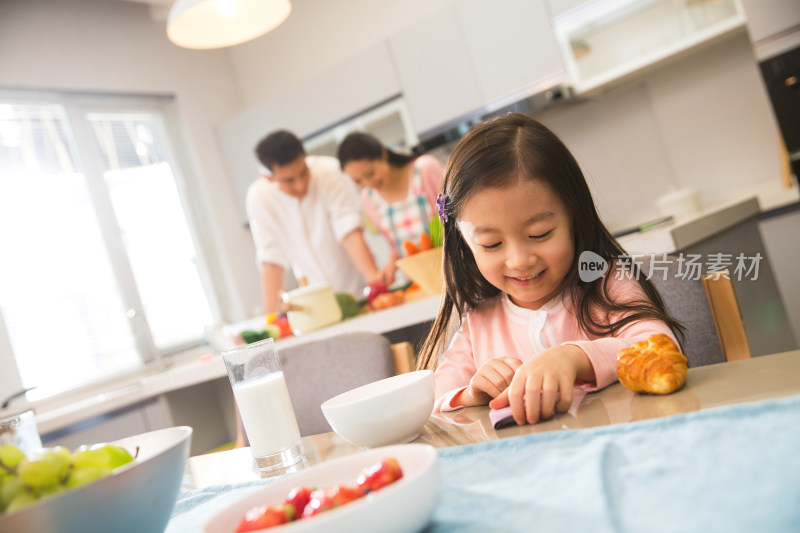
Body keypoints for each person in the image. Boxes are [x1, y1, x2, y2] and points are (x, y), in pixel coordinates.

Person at [416, 113, 684, 426]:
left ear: (574, 216)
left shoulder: (607, 283)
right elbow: (433, 403)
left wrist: (573, 358)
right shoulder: (478, 323)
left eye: (539, 234)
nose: (519, 260)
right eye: (491, 244)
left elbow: (660, 348)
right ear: (464, 245)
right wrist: (473, 394)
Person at [246, 130, 388, 315]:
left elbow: (348, 230)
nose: (300, 185)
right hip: (316, 308)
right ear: (268, 177)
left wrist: (376, 285)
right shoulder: (259, 198)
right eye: (289, 180)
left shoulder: (329, 171)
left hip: (360, 292)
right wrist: (272, 323)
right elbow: (271, 259)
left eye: (304, 172)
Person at [337, 132, 445, 278]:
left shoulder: (425, 169)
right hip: (418, 278)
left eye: (370, 173)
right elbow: (397, 248)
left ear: (382, 154)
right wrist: (390, 267)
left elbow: (457, 219)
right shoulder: (368, 199)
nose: (368, 184)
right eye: (358, 181)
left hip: (453, 270)